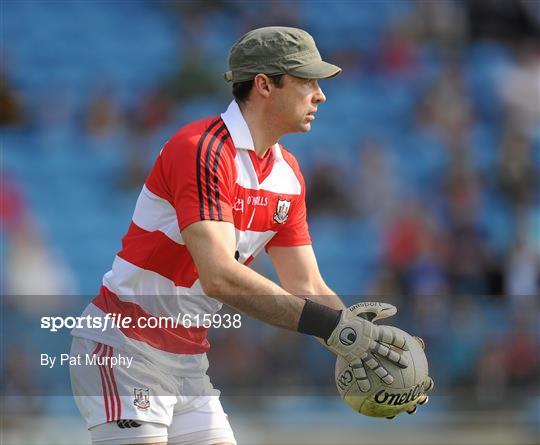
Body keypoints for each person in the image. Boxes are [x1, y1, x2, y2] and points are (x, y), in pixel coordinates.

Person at [70, 27, 432, 445]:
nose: (320, 95)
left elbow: (307, 285)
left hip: (187, 362)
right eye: (307, 81)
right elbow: (220, 276)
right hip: (124, 349)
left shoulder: (289, 174)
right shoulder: (200, 150)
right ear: (263, 85)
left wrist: (364, 346)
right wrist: (337, 330)